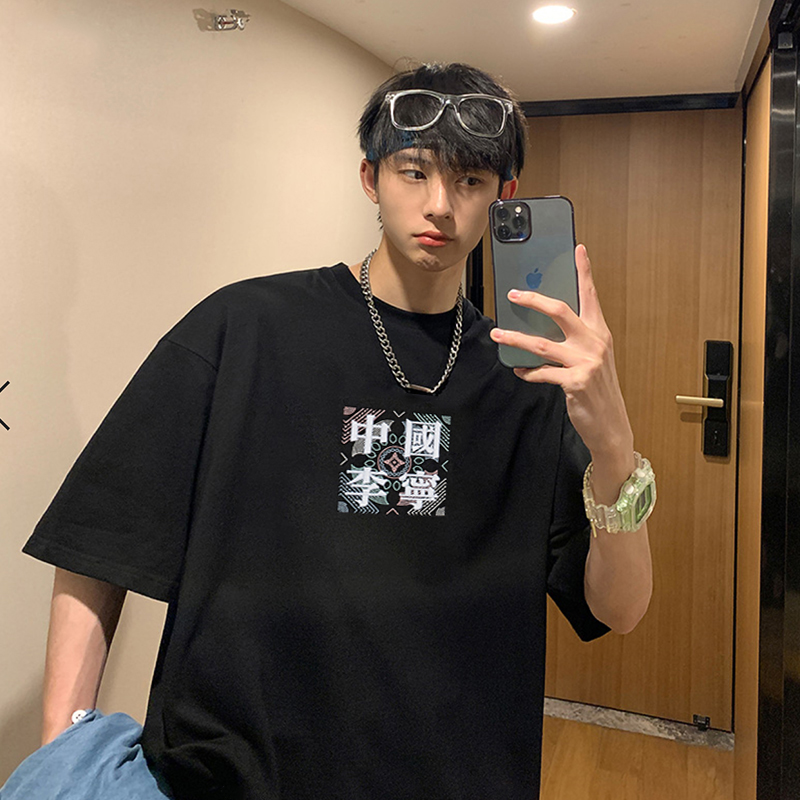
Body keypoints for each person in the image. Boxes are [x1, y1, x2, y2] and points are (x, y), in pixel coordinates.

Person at [5, 62, 653, 800]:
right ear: (371, 178)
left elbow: (620, 608)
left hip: (450, 771)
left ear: (504, 196)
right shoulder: (244, 327)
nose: (440, 205)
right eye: (414, 171)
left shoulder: (529, 379)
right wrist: (62, 748)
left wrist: (614, 444)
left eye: (470, 180)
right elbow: (100, 534)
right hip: (233, 773)